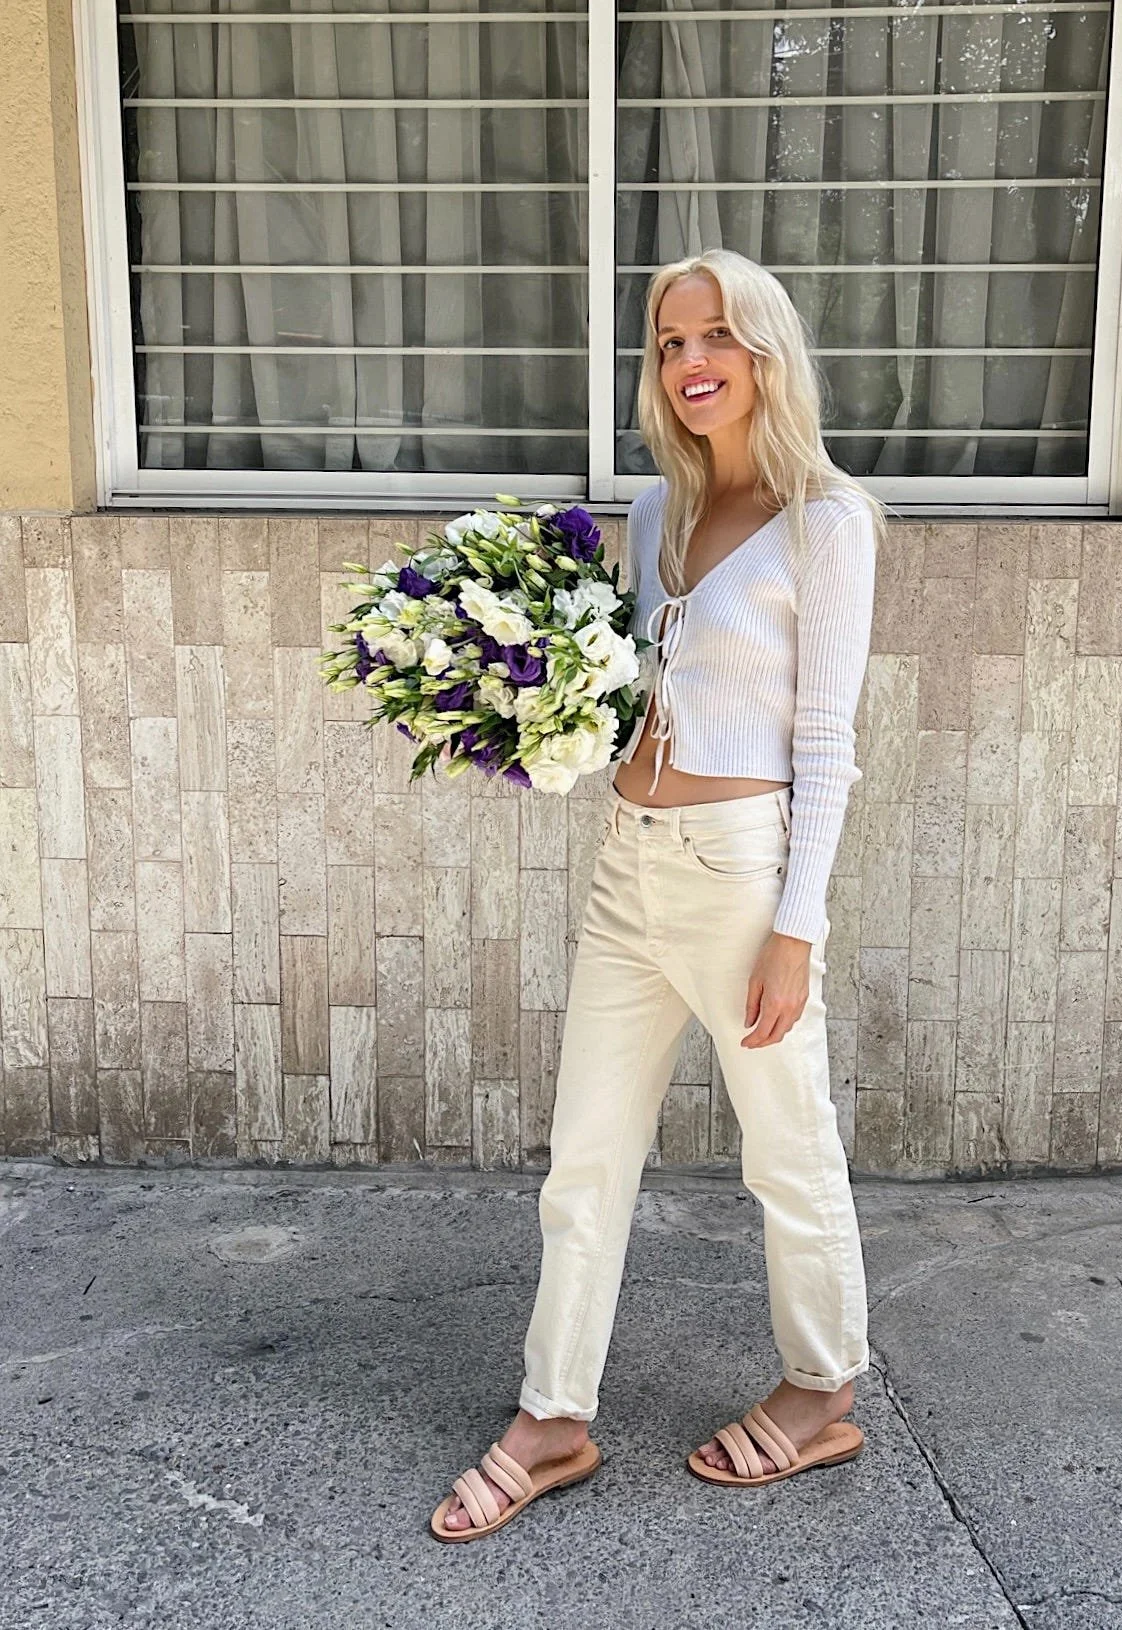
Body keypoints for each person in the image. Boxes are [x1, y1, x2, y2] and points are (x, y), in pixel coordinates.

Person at [431, 247, 885, 1541]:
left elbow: (825, 744)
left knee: (786, 1145)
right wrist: (527, 704)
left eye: (717, 336)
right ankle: (553, 1416)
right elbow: (632, 687)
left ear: (766, 350)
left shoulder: (827, 521)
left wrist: (797, 928)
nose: (692, 361)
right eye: (672, 341)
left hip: (743, 873)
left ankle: (822, 1386)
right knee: (585, 1153)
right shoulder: (653, 512)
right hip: (628, 860)